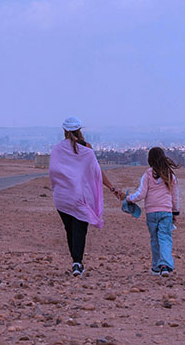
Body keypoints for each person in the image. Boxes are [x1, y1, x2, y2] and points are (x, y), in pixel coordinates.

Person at [48, 116, 122, 277]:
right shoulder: (86, 149)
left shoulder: (57, 149)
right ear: (80, 130)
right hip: (79, 197)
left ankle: (76, 261)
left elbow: (53, 172)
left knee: (70, 229)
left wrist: (59, 186)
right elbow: (96, 172)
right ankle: (77, 263)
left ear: (64, 131)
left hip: (62, 198)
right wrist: (112, 188)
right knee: (80, 229)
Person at [125, 146, 180, 277]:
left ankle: (156, 267)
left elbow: (141, 193)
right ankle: (165, 265)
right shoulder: (170, 175)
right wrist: (175, 212)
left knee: (155, 239)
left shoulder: (148, 174)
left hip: (151, 213)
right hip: (166, 212)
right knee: (165, 238)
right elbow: (175, 196)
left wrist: (129, 199)